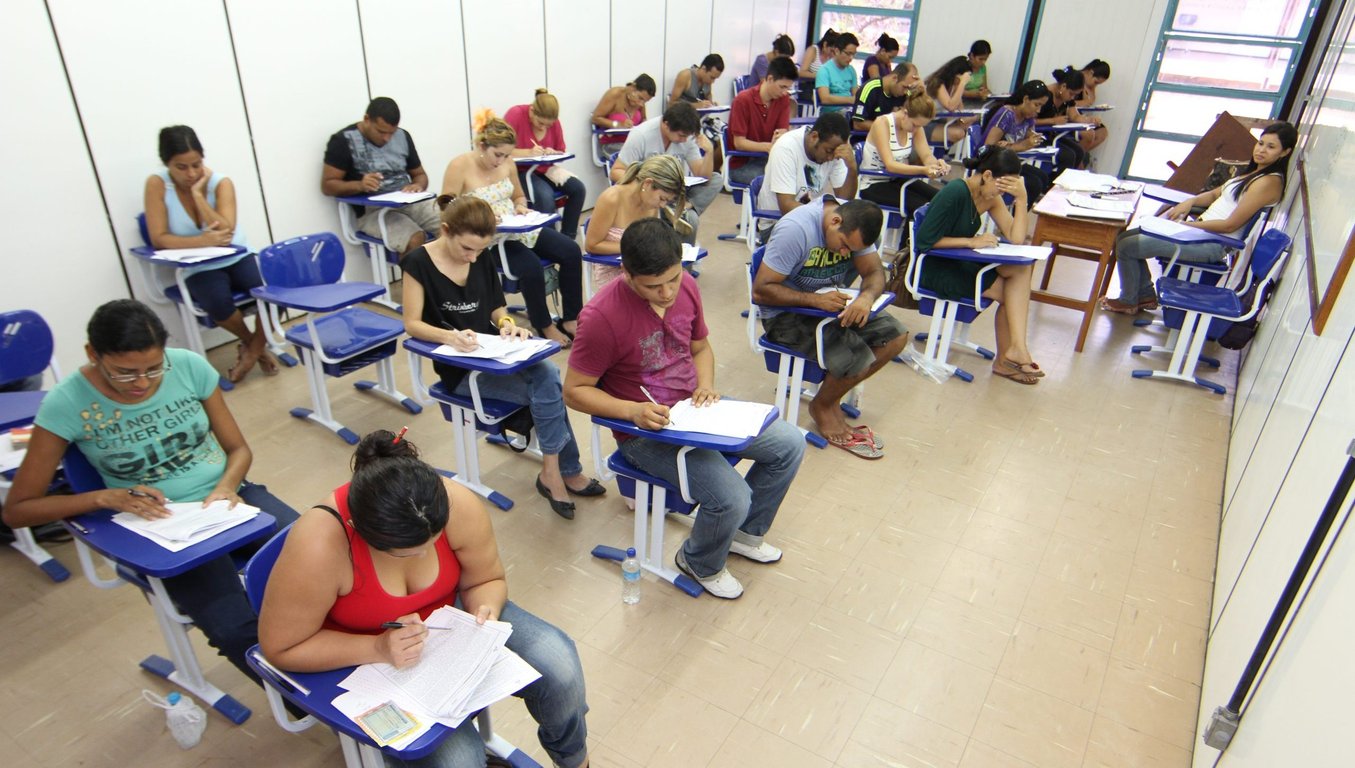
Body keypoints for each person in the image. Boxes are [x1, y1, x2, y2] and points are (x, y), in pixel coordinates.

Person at [3, 299, 299, 685]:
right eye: (124, 373)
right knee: (235, 628)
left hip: (229, 500)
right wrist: (102, 498)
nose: (142, 383)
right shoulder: (66, 403)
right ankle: (313, 707)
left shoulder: (188, 366)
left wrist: (227, 487)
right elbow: (18, 510)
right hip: (163, 525)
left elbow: (238, 449)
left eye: (153, 369)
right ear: (94, 355)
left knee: (329, 558)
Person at [258, 430, 591, 768]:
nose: (426, 555)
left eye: (434, 542)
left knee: (559, 664)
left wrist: (484, 610)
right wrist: (377, 648)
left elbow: (486, 578)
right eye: (407, 553)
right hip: (361, 653)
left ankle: (574, 760)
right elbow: (282, 647)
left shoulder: (452, 502)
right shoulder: (319, 544)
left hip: (450, 623)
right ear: (360, 528)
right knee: (458, 761)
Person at [564, 219, 804, 599]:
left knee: (789, 443)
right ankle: (699, 560)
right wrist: (631, 411)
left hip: (695, 408)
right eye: (653, 286)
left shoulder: (687, 286)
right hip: (645, 431)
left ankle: (745, 533)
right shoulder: (600, 317)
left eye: (673, 279)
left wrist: (706, 384)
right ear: (626, 273)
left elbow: (700, 348)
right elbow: (575, 392)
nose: (667, 292)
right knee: (731, 496)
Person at [402, 195, 605, 519]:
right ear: (445, 230)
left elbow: (497, 309)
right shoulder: (417, 263)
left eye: (479, 251)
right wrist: (449, 336)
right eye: (466, 249)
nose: (472, 258)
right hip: (461, 370)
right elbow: (411, 323)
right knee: (549, 386)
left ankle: (555, 471)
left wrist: (509, 326)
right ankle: (562, 471)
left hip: (494, 356)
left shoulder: (481, 256)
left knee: (548, 376)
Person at [751, 197, 907, 457]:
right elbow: (761, 291)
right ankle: (824, 408)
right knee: (855, 355)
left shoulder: (854, 221)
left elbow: (874, 272)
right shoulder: (796, 230)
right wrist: (815, 300)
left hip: (831, 305)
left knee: (895, 337)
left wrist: (865, 300)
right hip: (786, 315)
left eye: (852, 251)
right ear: (835, 221)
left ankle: (825, 401)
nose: (846, 254)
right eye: (845, 246)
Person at [1102, 122, 1297, 315]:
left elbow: (1231, 225)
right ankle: (1143, 295)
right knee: (1125, 237)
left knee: (1128, 246)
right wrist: (1191, 201)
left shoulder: (1269, 182)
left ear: (1285, 152)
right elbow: (1214, 195)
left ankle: (1129, 300)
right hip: (1199, 232)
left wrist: (1186, 225)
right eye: (1261, 143)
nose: (1261, 150)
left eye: (1271, 147)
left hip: (1212, 243)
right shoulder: (1254, 173)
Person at [144, 126, 276, 382]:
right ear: (166, 163)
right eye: (181, 167)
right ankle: (254, 347)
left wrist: (199, 198)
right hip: (198, 264)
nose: (191, 173)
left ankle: (250, 353)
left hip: (235, 255)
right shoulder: (157, 184)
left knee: (272, 295)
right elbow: (159, 238)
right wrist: (201, 241)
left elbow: (226, 229)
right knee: (217, 303)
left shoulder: (221, 183)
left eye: (196, 165)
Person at [441, 112, 583, 347]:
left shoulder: (507, 162)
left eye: (507, 155)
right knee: (530, 267)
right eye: (497, 154)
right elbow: (447, 207)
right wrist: (480, 217)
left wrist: (520, 206)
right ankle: (544, 324)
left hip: (518, 227)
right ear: (482, 145)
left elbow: (518, 195)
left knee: (570, 250)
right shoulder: (459, 166)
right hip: (487, 237)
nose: (501, 160)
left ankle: (570, 318)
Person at [914, 147, 1044, 385]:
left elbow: (1016, 238)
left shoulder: (990, 197)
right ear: (986, 176)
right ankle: (1008, 358)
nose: (1001, 194)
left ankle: (1015, 350)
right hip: (935, 266)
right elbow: (925, 242)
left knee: (1021, 270)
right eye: (1001, 187)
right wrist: (971, 241)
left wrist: (1022, 199)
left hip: (960, 260)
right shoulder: (955, 191)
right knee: (1010, 292)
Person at [322, 97, 439, 256]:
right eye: (381, 132)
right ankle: (414, 280)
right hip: (372, 211)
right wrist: (360, 185)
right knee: (414, 238)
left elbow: (420, 175)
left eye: (392, 133)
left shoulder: (403, 136)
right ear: (366, 120)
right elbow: (328, 185)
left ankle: (452, 278)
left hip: (407, 200)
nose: (387, 138)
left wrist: (418, 185)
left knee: (455, 226)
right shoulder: (342, 141)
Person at [611, 102, 721, 235]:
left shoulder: (687, 136)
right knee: (691, 220)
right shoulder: (641, 135)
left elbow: (703, 177)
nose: (685, 140)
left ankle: (684, 207)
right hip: (651, 191)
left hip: (675, 190)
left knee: (716, 179)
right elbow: (616, 171)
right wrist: (647, 183)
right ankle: (676, 217)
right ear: (666, 124)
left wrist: (709, 153)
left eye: (687, 136)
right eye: (681, 136)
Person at [584, 155, 693, 290]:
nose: (663, 205)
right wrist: (637, 248)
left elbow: (649, 241)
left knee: (683, 284)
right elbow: (592, 245)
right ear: (647, 184)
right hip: (614, 270)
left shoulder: (650, 204)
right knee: (659, 292)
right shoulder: (612, 198)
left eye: (667, 201)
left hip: (642, 265)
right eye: (662, 198)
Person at [504, 89, 586, 241]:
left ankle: (567, 238)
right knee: (545, 196)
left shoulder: (553, 123)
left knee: (578, 189)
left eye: (548, 125)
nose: (543, 128)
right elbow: (502, 149)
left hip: (546, 169)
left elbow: (561, 150)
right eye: (540, 123)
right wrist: (528, 152)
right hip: (520, 171)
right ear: (531, 110)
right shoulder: (515, 115)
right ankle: (550, 241)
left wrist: (552, 151)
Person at [757, 111, 857, 225]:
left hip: (813, 219)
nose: (830, 158)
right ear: (814, 137)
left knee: (863, 233)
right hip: (779, 223)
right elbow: (786, 206)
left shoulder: (834, 152)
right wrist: (827, 217)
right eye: (828, 151)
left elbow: (844, 200)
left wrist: (852, 169)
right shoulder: (786, 148)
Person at [859, 91, 946, 218]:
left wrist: (938, 165)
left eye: (920, 126)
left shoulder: (916, 125)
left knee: (941, 200)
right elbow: (890, 165)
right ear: (905, 113)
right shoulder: (882, 123)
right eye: (915, 125)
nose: (916, 130)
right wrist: (924, 169)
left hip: (897, 179)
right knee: (922, 208)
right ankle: (909, 238)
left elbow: (927, 156)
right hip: (873, 183)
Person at [727, 56, 798, 185]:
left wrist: (782, 137)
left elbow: (781, 132)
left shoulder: (783, 100)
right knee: (781, 180)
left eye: (788, 88)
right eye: (782, 87)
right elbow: (739, 143)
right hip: (742, 164)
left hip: (768, 159)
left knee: (797, 176)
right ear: (770, 79)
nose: (784, 92)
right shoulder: (742, 100)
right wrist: (768, 147)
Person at [981, 80, 1052, 202]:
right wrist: (1021, 146)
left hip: (1010, 163)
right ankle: (1014, 215)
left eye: (1041, 106)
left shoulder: (1028, 117)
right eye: (1037, 105)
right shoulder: (1006, 114)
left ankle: (1017, 213)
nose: (1039, 110)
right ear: (1025, 99)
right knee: (1033, 183)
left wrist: (1032, 140)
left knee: (1043, 177)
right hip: (992, 164)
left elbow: (1028, 136)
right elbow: (988, 146)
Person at [1036, 66, 1099, 173]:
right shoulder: (1045, 96)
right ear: (1063, 86)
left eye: (1075, 95)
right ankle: (1053, 184)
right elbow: (1028, 121)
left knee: (1078, 151)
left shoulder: (1067, 98)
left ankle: (1068, 181)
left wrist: (1090, 120)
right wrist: (1052, 121)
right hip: (1036, 135)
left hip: (1051, 134)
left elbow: (1075, 117)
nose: (1073, 98)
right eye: (1072, 94)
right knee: (1068, 156)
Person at [591, 74, 657, 161]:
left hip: (633, 144)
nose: (641, 104)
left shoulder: (640, 102)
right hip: (613, 145)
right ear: (633, 87)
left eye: (645, 101)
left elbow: (643, 119)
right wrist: (618, 124)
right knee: (638, 159)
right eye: (640, 98)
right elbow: (596, 118)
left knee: (655, 157)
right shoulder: (615, 94)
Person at [851, 61, 922, 130]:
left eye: (909, 88)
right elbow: (858, 124)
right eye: (904, 87)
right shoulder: (870, 88)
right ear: (895, 78)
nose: (906, 92)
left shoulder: (907, 93)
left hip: (893, 138)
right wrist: (890, 127)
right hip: (865, 138)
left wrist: (922, 92)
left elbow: (921, 115)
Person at [924, 56, 976, 144]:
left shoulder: (953, 86)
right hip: (924, 123)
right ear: (956, 74)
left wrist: (975, 117)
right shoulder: (938, 83)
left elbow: (961, 113)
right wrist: (962, 84)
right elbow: (950, 106)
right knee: (958, 133)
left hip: (938, 121)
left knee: (967, 127)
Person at [815, 32, 860, 112]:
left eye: (853, 54)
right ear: (837, 51)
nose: (851, 58)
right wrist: (850, 100)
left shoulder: (851, 70)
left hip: (849, 111)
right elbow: (825, 98)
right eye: (848, 53)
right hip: (831, 115)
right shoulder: (824, 70)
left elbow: (856, 96)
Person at [1074, 59, 1112, 153]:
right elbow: (1067, 103)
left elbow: (1091, 100)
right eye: (1096, 82)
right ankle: (1077, 158)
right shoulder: (1074, 79)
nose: (1095, 85)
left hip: (1079, 115)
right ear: (1090, 73)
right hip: (1069, 115)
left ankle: (1080, 154)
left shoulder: (1088, 84)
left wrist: (1091, 89)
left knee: (1102, 132)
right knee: (1088, 134)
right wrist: (1085, 101)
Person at [797, 29, 839, 107]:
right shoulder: (813, 50)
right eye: (831, 50)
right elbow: (801, 72)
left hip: (824, 87)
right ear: (825, 45)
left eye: (835, 52)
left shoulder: (832, 57)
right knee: (823, 99)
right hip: (808, 87)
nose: (832, 53)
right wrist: (820, 75)